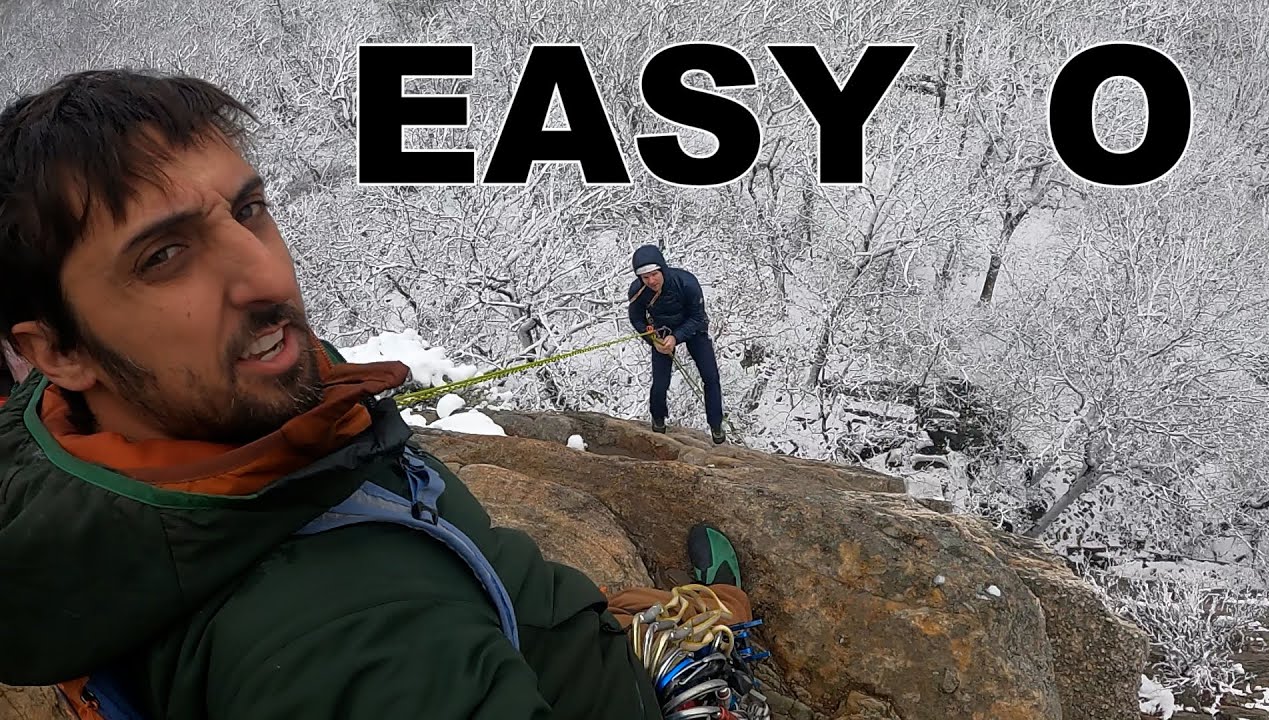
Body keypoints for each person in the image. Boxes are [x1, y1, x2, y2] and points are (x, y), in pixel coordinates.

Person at [0, 70, 759, 719]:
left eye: (247, 211)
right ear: (56, 351)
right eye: (165, 256)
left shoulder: (91, 432)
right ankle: (699, 670)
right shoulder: (362, 652)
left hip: (526, 621)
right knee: (694, 637)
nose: (265, 278)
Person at [627, 244, 726, 443]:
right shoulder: (638, 291)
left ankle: (716, 424)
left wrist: (677, 337)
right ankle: (658, 419)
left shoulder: (686, 283)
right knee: (660, 381)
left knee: (710, 377)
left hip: (693, 328)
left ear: (662, 270)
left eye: (654, 274)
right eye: (645, 278)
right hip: (661, 331)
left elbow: (697, 317)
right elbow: (637, 319)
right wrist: (652, 339)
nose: (651, 281)